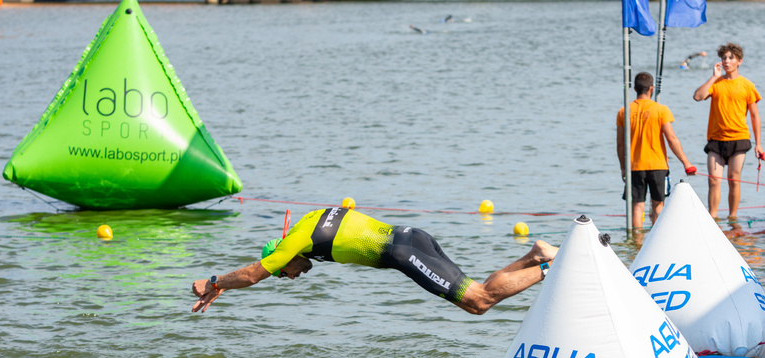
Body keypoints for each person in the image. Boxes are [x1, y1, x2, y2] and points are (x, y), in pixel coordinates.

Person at [191, 207, 558, 316]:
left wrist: (214, 283)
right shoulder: (312, 220)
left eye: (284, 274)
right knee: (478, 288)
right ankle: (535, 254)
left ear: (282, 257)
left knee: (478, 302)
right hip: (414, 235)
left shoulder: (293, 243)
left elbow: (254, 275)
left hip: (402, 253)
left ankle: (550, 267)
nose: (290, 277)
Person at [693, 42, 764, 219]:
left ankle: (733, 219)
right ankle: (713, 218)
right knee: (713, 181)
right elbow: (698, 96)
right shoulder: (716, 83)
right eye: (723, 58)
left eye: (730, 58)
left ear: (739, 61)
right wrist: (713, 77)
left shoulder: (747, 85)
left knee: (734, 180)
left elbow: (755, 116)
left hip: (739, 138)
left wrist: (759, 144)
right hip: (716, 140)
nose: (726, 61)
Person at [616, 71, 696, 229]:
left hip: (635, 167)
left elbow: (620, 144)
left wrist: (623, 168)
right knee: (658, 206)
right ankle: (656, 243)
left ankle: (637, 246)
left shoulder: (624, 111)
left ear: (635, 89)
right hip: (658, 166)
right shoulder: (661, 110)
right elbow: (671, 138)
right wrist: (686, 163)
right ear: (651, 88)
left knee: (637, 209)